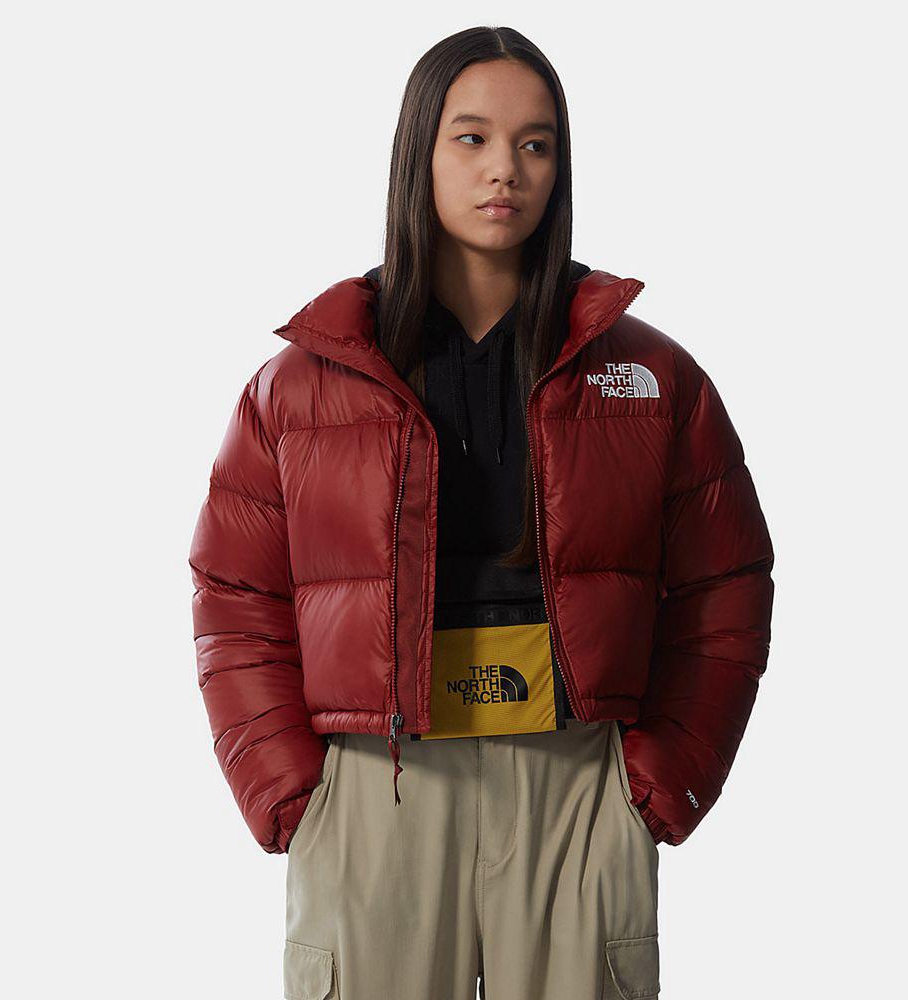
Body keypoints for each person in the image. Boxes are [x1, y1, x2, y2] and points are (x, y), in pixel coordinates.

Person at [188, 25, 775, 1000]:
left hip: (577, 781)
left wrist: (662, 776)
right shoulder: (299, 385)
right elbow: (233, 591)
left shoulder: (650, 375)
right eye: (471, 138)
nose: (506, 167)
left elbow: (727, 580)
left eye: (536, 143)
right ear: (416, 153)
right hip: (375, 782)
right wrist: (290, 789)